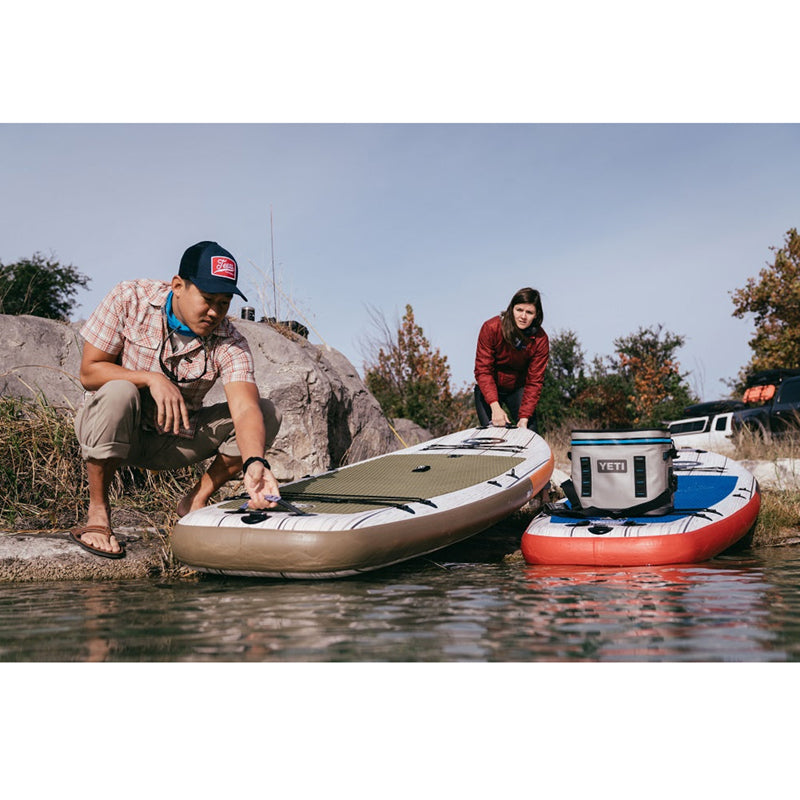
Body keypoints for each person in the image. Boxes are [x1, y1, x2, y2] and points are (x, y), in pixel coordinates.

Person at [70, 240, 282, 559]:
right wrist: (150, 378)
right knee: (119, 390)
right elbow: (89, 372)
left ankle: (195, 499)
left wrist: (255, 462)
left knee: (266, 412)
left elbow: (244, 407)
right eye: (207, 299)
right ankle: (98, 512)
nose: (215, 312)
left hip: (173, 439)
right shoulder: (129, 298)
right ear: (178, 286)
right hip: (112, 430)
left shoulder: (231, 341)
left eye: (224, 303)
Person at [474, 287, 549, 431]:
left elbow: (535, 381)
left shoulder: (540, 340)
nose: (523, 316)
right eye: (519, 310)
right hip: (490, 387)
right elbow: (483, 370)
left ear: (536, 315)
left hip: (517, 388)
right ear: (511, 309)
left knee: (530, 431)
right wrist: (495, 407)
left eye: (529, 312)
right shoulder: (491, 328)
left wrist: (524, 417)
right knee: (493, 433)